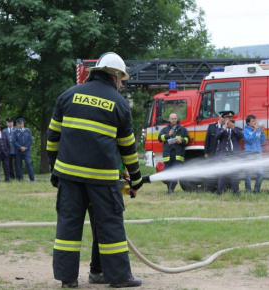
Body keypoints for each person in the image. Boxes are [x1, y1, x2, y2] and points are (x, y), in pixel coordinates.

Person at [47, 52, 143, 288]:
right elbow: (127, 148)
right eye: (121, 79)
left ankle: (67, 279)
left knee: (68, 225)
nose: (121, 84)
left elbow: (52, 139)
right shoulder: (119, 104)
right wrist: (136, 178)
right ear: (115, 76)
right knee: (109, 226)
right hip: (102, 180)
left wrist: (55, 170)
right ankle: (118, 277)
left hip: (68, 177)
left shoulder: (68, 95)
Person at [158, 113, 190, 194]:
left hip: (178, 155)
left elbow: (187, 139)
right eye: (172, 118)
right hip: (168, 155)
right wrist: (168, 135)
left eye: (175, 118)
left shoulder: (182, 129)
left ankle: (171, 190)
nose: (174, 120)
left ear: (177, 119)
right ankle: (169, 189)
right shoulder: (165, 129)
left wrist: (181, 141)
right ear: (169, 119)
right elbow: (160, 138)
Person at [215, 111, 243, 195]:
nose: (230, 119)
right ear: (224, 119)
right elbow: (217, 137)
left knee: (234, 174)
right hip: (224, 155)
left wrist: (233, 128)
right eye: (228, 118)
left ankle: (236, 192)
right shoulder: (220, 129)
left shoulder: (237, 128)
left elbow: (241, 136)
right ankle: (220, 192)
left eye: (231, 118)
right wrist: (225, 128)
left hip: (233, 155)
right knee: (222, 174)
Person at [243, 114, 266, 193]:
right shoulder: (245, 131)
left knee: (260, 173)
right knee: (248, 174)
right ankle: (248, 191)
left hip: (258, 154)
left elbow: (262, 141)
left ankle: (256, 191)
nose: (255, 122)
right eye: (253, 121)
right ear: (248, 123)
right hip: (249, 153)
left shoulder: (258, 130)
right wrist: (254, 132)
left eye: (255, 121)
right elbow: (248, 140)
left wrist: (262, 132)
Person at [204, 114, 225, 192]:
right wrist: (206, 153)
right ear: (219, 118)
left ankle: (221, 188)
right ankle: (210, 188)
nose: (225, 119)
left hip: (222, 153)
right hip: (213, 152)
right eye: (223, 117)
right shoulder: (212, 126)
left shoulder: (226, 127)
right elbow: (207, 140)